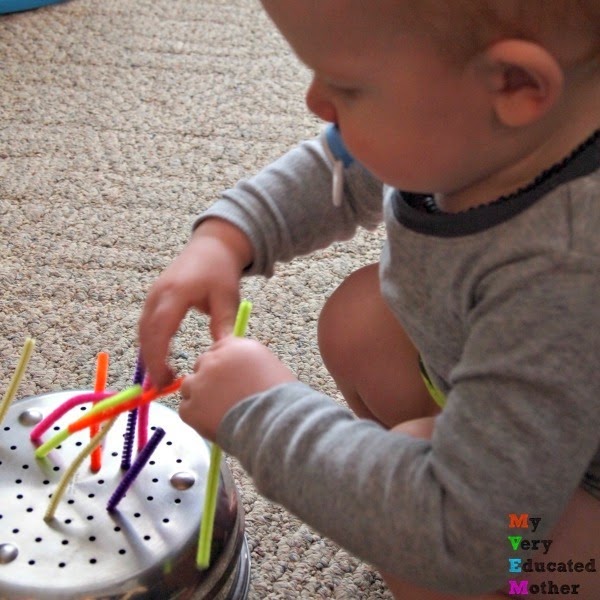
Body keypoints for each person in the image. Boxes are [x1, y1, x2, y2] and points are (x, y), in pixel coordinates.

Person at [138, 2, 600, 597]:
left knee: (434, 558)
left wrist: (261, 413)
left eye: (348, 87)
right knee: (358, 324)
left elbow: (462, 538)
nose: (315, 102)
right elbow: (344, 165)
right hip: (523, 393)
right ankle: (449, 466)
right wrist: (230, 234)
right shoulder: (490, 127)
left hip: (576, 478)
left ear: (514, 83)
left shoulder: (565, 270)